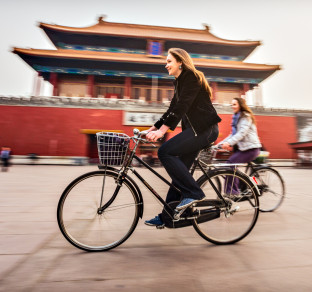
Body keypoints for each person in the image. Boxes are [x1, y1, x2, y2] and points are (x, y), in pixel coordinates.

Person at [144, 48, 222, 227]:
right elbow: (171, 109)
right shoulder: (180, 82)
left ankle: (194, 193)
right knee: (180, 175)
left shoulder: (191, 77)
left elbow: (182, 107)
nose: (166, 65)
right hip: (196, 131)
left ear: (180, 62)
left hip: (205, 130)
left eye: (169, 61)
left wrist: (162, 132)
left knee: (165, 152)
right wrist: (152, 128)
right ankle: (168, 216)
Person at [218, 97, 262, 195]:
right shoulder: (237, 117)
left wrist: (229, 143)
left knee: (230, 164)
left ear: (240, 105)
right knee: (232, 167)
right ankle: (240, 187)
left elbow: (242, 133)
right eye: (231, 104)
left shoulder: (246, 116)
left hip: (251, 148)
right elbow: (233, 135)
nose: (232, 106)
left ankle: (232, 192)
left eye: (234, 104)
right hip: (243, 148)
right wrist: (219, 145)